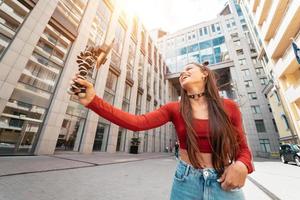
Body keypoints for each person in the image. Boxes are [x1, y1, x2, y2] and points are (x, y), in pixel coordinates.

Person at [72, 61, 254, 200]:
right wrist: (93, 101)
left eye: (189, 68)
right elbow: (137, 122)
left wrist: (242, 165)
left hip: (224, 182)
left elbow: (243, 149)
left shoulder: (229, 107)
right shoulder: (174, 108)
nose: (184, 72)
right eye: (182, 72)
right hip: (186, 182)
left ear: (205, 73)